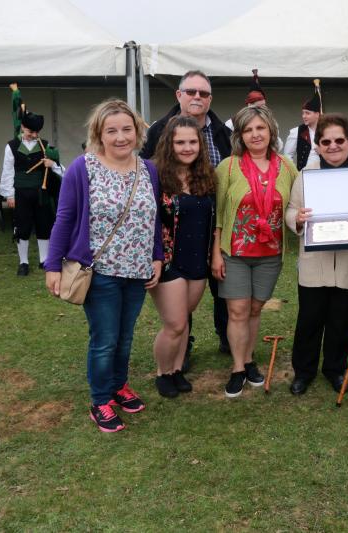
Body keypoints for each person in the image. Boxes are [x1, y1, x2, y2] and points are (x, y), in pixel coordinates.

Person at [45, 99, 163, 433]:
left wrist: (157, 257)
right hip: (100, 272)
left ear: (138, 131)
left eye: (127, 129)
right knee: (105, 339)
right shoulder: (81, 169)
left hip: (137, 270)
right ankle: (100, 400)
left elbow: (152, 219)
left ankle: (118, 386)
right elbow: (64, 218)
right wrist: (53, 265)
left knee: (125, 339)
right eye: (111, 130)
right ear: (99, 134)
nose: (121, 137)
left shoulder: (148, 169)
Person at [285, 113, 348, 395]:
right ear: (318, 145)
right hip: (314, 263)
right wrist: (299, 219)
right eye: (325, 141)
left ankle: (335, 368)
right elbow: (292, 210)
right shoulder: (307, 174)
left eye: (339, 140)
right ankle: (303, 371)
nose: (332, 146)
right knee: (309, 319)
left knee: (343, 319)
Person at [140, 70, 231, 358]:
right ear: (178, 95)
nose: (197, 97)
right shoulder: (158, 131)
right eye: (191, 91)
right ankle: (181, 349)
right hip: (172, 233)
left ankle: (227, 338)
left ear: (210, 99)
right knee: (177, 308)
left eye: (203, 93)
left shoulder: (223, 134)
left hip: (211, 226)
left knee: (222, 291)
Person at [212, 106, 297, 398]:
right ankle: (237, 368)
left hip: (270, 253)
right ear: (240, 136)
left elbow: (297, 204)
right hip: (234, 253)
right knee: (237, 311)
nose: (255, 134)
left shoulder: (286, 167)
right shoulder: (229, 167)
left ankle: (248, 360)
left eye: (260, 128)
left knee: (255, 309)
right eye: (248, 130)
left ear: (271, 130)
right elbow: (219, 215)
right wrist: (215, 252)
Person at [149, 116, 217, 398]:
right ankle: (162, 372)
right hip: (167, 260)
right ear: (169, 144)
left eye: (192, 142)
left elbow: (214, 222)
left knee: (185, 320)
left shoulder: (206, 176)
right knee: (175, 324)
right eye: (180, 142)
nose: (187, 148)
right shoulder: (155, 175)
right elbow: (149, 221)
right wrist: (154, 257)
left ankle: (177, 370)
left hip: (197, 260)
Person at [0, 111, 64, 275]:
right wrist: (9, 195)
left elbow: (62, 171)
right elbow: (7, 172)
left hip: (41, 192)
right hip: (20, 193)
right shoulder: (12, 146)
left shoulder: (45, 145)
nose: (34, 135)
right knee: (22, 226)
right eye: (30, 132)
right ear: (22, 127)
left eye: (37, 132)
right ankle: (23, 262)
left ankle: (44, 260)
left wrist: (52, 164)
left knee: (44, 224)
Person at [284, 87, 321, 170]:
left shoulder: (326, 131)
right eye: (303, 113)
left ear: (317, 114)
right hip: (303, 175)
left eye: (307, 113)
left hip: (324, 174)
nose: (304, 116)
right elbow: (287, 156)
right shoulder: (296, 132)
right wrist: (295, 173)